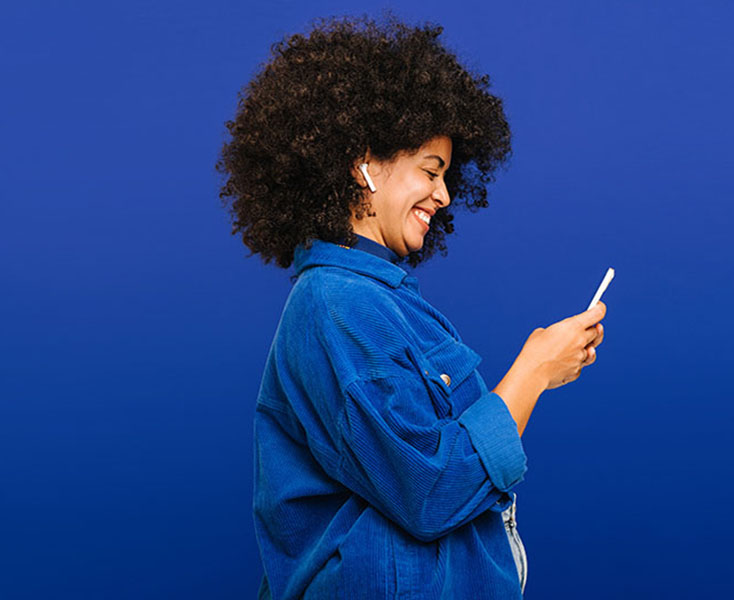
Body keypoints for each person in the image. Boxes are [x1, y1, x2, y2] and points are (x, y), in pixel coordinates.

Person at [216, 15, 606, 600]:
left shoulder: (378, 300)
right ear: (365, 164)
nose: (444, 196)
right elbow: (431, 490)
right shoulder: (338, 304)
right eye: (430, 171)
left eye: (446, 177)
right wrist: (533, 372)